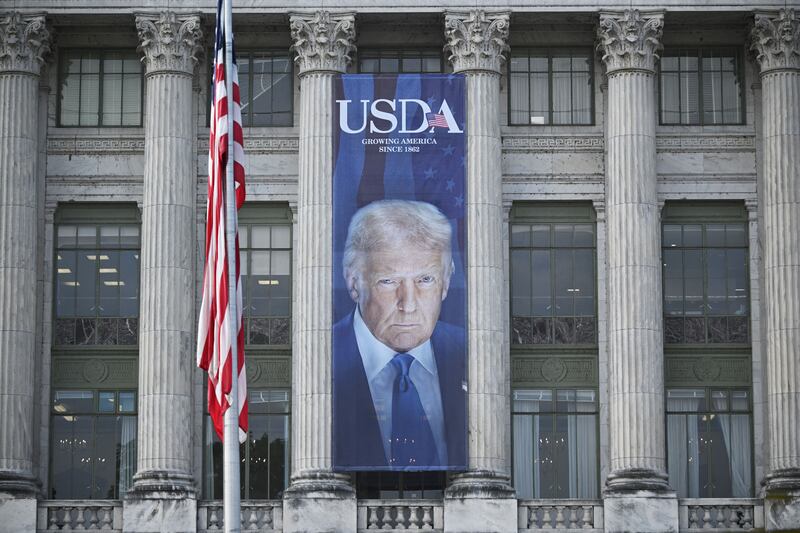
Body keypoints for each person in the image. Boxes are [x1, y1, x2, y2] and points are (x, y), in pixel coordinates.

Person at [333, 199, 466, 470]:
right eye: (389, 281)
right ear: (353, 283)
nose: (408, 304)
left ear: (446, 281)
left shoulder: (469, 350)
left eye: (425, 280)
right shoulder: (324, 352)